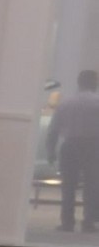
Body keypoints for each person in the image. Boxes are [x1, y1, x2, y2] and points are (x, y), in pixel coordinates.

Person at [48, 70, 99, 234]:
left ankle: (67, 222)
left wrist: (50, 150)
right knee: (92, 185)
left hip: (70, 146)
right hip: (93, 147)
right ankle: (88, 222)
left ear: (79, 83)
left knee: (68, 186)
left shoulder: (66, 103)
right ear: (94, 83)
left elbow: (53, 129)